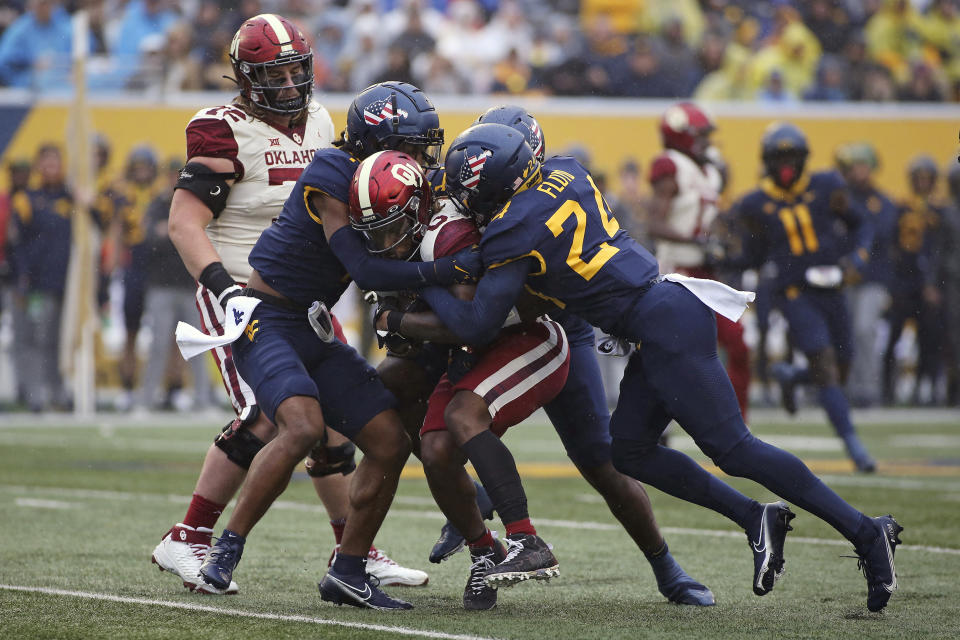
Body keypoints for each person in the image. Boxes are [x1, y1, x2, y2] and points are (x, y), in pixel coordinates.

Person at [418, 122, 902, 613]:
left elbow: (477, 324)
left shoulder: (511, 229)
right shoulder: (567, 170)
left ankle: (866, 532)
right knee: (628, 451)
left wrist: (424, 279)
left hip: (663, 321)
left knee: (734, 449)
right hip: (659, 310)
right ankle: (756, 517)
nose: (467, 202)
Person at [152, 15, 427, 596]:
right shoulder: (220, 128)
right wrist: (224, 288)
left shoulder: (323, 121)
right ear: (246, 77)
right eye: (275, 75)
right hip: (242, 291)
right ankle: (192, 536)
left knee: (331, 426)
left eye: (297, 70)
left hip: (306, 297)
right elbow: (184, 221)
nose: (290, 84)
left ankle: (354, 551)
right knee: (276, 415)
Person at [193, 80, 481, 611]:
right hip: (269, 318)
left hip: (312, 324)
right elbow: (365, 267)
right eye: (412, 146)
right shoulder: (332, 173)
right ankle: (224, 551)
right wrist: (449, 268)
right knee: (301, 426)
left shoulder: (388, 175)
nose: (420, 159)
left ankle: (348, 571)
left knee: (391, 441)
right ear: (379, 143)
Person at [417, 104, 715, 608]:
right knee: (441, 443)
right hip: (488, 332)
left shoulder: (536, 207)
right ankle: (482, 548)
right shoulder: (469, 190)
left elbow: (508, 306)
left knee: (599, 458)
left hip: (553, 331)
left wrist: (423, 293)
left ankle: (666, 566)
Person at [351, 149, 570, 608]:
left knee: (463, 416)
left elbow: (470, 322)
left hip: (525, 335)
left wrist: (400, 318)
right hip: (475, 350)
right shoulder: (415, 236)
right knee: (434, 450)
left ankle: (526, 539)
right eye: (376, 233)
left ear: (416, 209)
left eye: (392, 228)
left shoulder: (447, 235)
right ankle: (484, 551)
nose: (386, 242)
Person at [733, 123, 877, 473]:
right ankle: (855, 446)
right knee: (826, 370)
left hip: (833, 289)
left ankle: (794, 377)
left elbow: (862, 224)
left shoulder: (828, 186)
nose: (786, 165)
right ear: (767, 161)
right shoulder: (753, 204)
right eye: (779, 157)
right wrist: (723, 255)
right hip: (795, 294)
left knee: (841, 368)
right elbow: (751, 256)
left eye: (791, 157)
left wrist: (858, 257)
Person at [647, 102, 750, 420]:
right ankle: (654, 424)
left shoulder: (708, 170)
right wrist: (698, 241)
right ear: (681, 136)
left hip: (706, 274)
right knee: (673, 354)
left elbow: (709, 219)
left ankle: (738, 423)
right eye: (701, 135)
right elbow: (654, 223)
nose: (707, 142)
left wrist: (721, 241)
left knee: (739, 345)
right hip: (677, 274)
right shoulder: (671, 166)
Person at [834, 142, 898, 407]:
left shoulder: (882, 202)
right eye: (854, 167)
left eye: (863, 166)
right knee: (844, 332)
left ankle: (868, 389)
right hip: (843, 277)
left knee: (864, 329)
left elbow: (878, 234)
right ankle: (845, 387)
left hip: (872, 277)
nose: (859, 172)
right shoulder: (840, 198)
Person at [882, 155, 946, 405]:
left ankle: (924, 387)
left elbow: (940, 250)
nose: (921, 183)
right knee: (894, 337)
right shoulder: (901, 207)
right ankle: (887, 388)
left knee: (929, 339)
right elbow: (890, 247)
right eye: (918, 178)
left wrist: (935, 283)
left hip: (928, 285)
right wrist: (891, 284)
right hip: (902, 283)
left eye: (926, 178)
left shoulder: (941, 209)